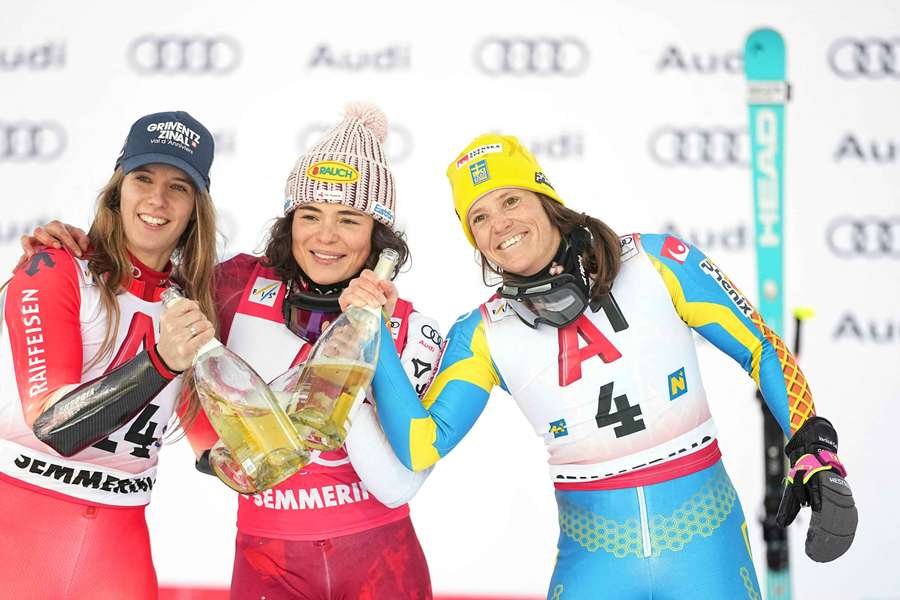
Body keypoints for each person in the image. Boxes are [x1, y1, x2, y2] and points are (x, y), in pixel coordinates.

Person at [349, 133, 858, 599]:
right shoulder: (481, 334)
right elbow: (420, 445)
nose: (498, 223)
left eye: (510, 200)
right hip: (595, 562)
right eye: (478, 217)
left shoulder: (656, 261)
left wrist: (813, 451)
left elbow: (762, 349)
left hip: (707, 549)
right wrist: (374, 336)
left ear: (545, 199)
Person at [23, 104, 439, 599]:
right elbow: (148, 269)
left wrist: (362, 355)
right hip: (270, 561)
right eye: (309, 215)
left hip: (381, 560)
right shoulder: (232, 285)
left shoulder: (412, 327)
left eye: (349, 219)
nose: (325, 236)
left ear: (379, 234)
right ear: (290, 222)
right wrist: (81, 246)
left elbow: (397, 487)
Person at [0, 111, 219, 599]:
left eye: (178, 186)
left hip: (117, 551)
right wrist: (163, 361)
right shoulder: (53, 268)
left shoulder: (191, 303)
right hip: (17, 538)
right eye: (143, 178)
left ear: (195, 209)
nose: (157, 199)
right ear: (118, 189)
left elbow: (214, 446)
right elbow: (56, 426)